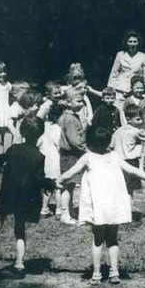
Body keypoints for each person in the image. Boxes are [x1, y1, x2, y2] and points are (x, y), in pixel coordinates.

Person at [56, 125, 145, 285]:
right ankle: (114, 273)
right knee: (112, 239)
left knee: (97, 239)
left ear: (89, 142)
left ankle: (96, 275)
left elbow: (71, 173)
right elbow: (132, 170)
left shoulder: (87, 157)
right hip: (113, 205)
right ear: (108, 142)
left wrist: (58, 180)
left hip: (99, 207)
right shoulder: (114, 156)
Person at [0, 116, 55, 278]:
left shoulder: (13, 149)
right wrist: (51, 184)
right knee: (20, 229)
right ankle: (19, 264)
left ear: (21, 131)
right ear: (40, 135)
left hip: (7, 194)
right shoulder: (39, 156)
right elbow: (38, 179)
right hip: (24, 198)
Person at [111, 104, 145, 198]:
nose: (141, 121)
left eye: (142, 118)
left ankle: (120, 210)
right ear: (128, 119)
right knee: (129, 190)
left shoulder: (118, 131)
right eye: (138, 119)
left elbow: (111, 146)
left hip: (117, 162)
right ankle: (127, 211)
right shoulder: (135, 131)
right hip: (130, 162)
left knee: (120, 187)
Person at [57, 87, 87, 225]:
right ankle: (65, 214)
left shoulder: (71, 116)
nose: (82, 104)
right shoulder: (69, 119)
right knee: (68, 185)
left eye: (82, 101)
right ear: (68, 102)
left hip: (71, 155)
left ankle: (69, 210)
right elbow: (74, 140)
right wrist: (85, 149)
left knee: (71, 184)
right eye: (79, 101)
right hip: (70, 156)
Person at [107, 30, 145, 105]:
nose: (132, 44)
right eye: (130, 41)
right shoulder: (120, 55)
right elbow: (114, 73)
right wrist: (110, 89)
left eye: (135, 41)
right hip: (121, 90)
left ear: (138, 43)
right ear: (126, 43)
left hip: (136, 91)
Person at [38, 104, 64, 218]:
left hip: (45, 159)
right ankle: (59, 210)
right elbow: (59, 145)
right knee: (58, 185)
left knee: (47, 185)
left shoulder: (45, 127)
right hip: (55, 160)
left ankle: (44, 209)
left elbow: (38, 143)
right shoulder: (58, 130)